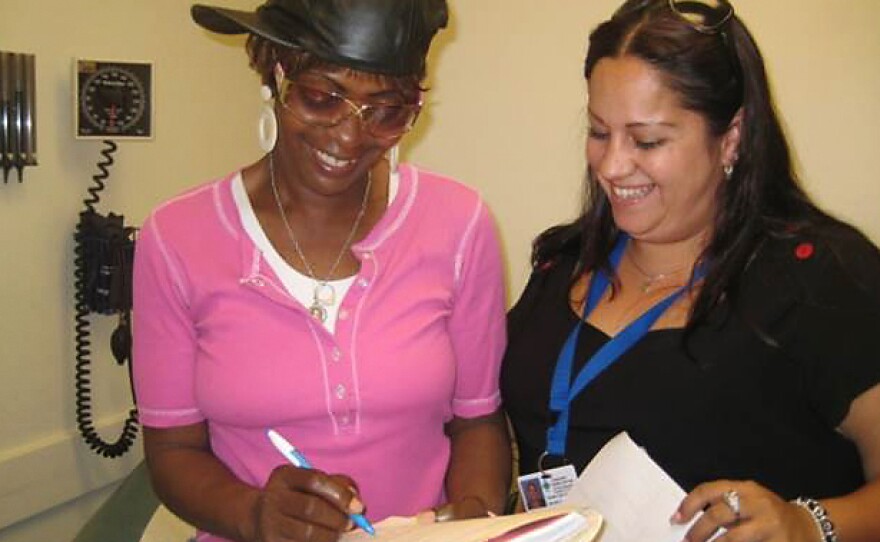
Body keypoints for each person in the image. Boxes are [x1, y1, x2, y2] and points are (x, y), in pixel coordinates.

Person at [501, 1, 880, 540]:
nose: (611, 166)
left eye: (647, 140)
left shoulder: (820, 278)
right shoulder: (562, 264)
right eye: (599, 132)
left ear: (732, 137)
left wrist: (809, 523)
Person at [132, 1, 511, 541]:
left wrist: (474, 517)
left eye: (388, 111)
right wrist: (255, 514)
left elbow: (478, 420)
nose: (349, 138)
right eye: (321, 98)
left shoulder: (459, 224)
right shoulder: (176, 239)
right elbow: (172, 451)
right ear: (275, 75)